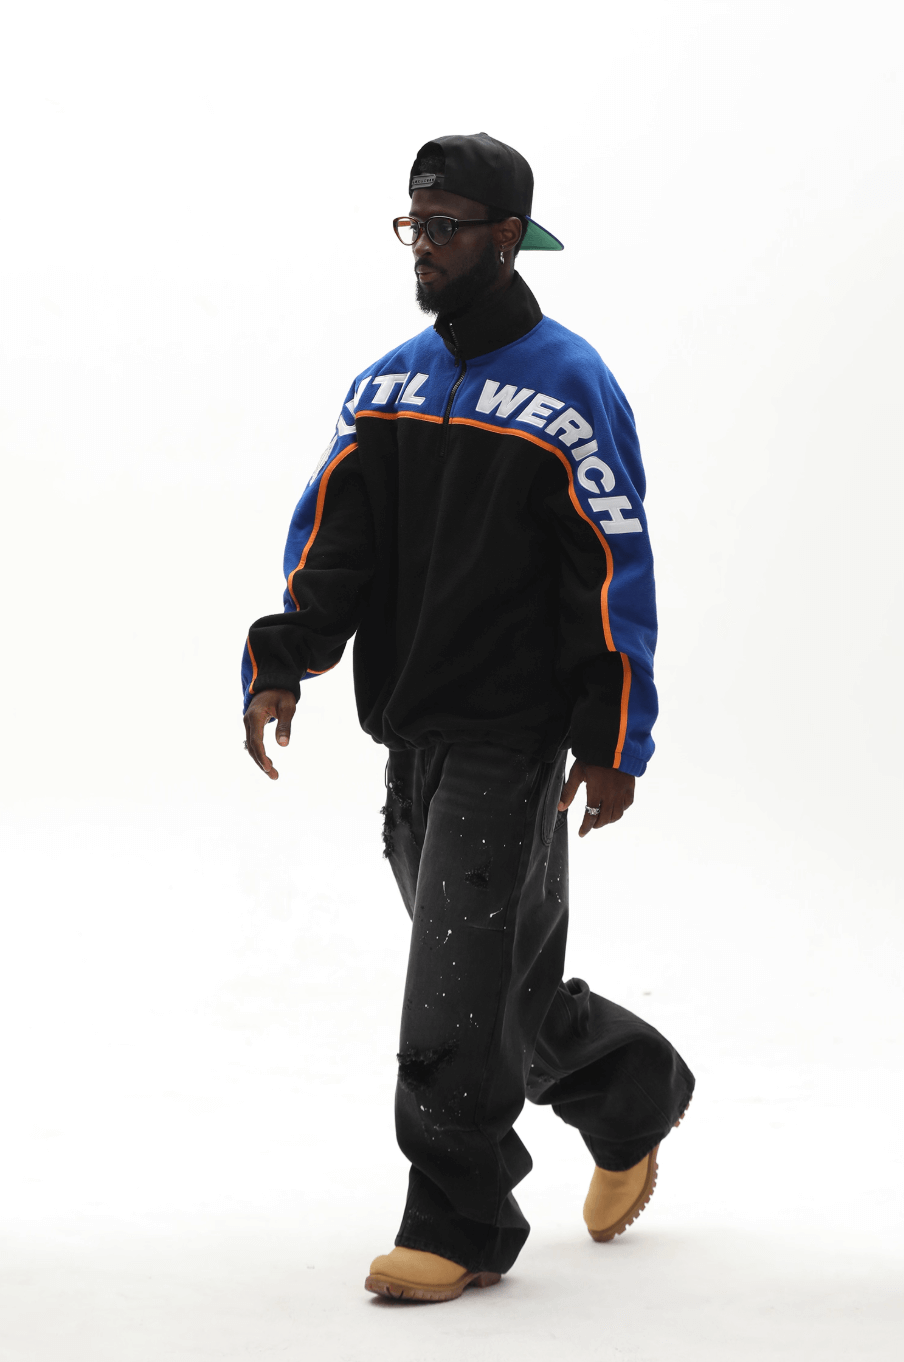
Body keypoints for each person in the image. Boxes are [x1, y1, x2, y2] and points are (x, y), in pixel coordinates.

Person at [241, 132, 694, 1304]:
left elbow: (610, 565)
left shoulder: (568, 384)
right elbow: (335, 542)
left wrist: (612, 736)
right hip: (411, 727)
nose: (423, 247)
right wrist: (284, 659)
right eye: (414, 225)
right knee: (491, 973)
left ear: (506, 236)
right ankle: (628, 1091)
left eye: (445, 228)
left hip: (510, 730)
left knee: (451, 984)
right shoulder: (387, 383)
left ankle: (461, 1218)